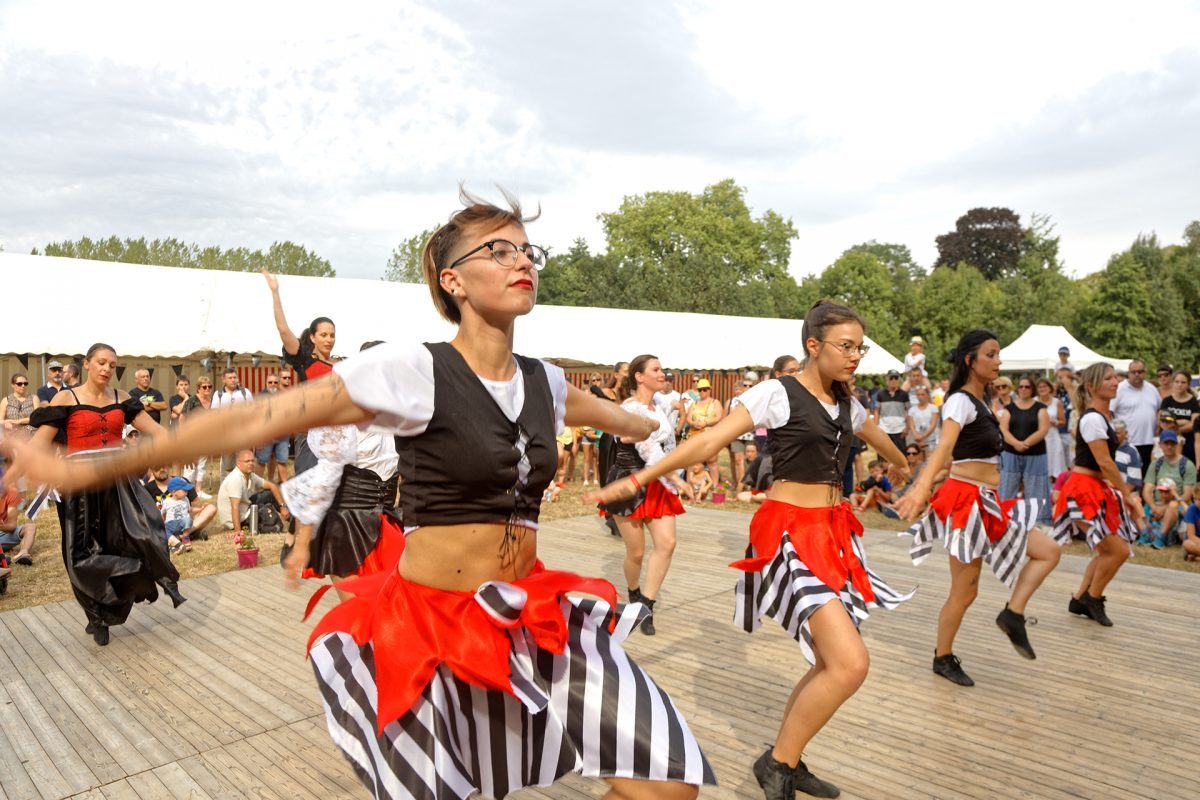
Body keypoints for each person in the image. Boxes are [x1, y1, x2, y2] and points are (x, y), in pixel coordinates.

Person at [15, 192, 716, 799]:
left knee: (665, 774)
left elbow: (616, 415)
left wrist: (648, 420)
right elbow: (260, 418)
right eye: (498, 250)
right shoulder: (413, 367)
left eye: (528, 249)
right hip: (430, 627)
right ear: (454, 280)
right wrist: (88, 472)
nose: (521, 260)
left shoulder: (544, 381)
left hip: (527, 615)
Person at [590, 299, 912, 799]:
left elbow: (878, 439)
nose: (855, 356)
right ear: (813, 345)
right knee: (850, 664)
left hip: (832, 535)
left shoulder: (849, 404)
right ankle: (778, 763)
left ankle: (786, 758)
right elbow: (707, 443)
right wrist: (642, 476)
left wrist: (902, 466)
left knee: (830, 663)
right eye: (845, 346)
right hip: (787, 535)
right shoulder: (776, 393)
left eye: (859, 347)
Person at [897, 330, 1056, 684]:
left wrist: (934, 478)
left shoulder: (983, 404)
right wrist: (920, 488)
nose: (999, 361)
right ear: (971, 361)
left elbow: (956, 456)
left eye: (998, 354)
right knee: (965, 591)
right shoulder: (959, 402)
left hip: (987, 501)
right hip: (968, 503)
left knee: (1048, 551)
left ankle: (1013, 614)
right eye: (992, 354)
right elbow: (944, 448)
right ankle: (942, 656)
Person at [26, 343, 185, 646]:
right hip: (78, 485)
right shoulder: (66, 397)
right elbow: (39, 442)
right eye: (101, 362)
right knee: (80, 553)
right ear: (86, 364)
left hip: (117, 483)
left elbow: (155, 429)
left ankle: (119, 597)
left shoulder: (121, 399)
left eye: (112, 365)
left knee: (129, 540)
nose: (107, 369)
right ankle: (95, 615)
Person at [599, 354, 693, 636]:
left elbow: (669, 434)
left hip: (656, 481)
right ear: (640, 377)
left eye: (662, 368)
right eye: (656, 369)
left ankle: (646, 607)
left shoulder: (660, 404)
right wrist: (676, 478)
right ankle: (633, 592)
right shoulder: (631, 409)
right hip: (630, 481)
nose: (662, 373)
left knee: (667, 543)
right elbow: (647, 450)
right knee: (636, 552)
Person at [1049, 362, 1141, 627]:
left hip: (1094, 487)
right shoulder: (1091, 419)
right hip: (1083, 489)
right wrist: (1128, 495)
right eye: (1108, 379)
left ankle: (1080, 598)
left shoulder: (1101, 418)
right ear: (1091, 387)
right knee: (1117, 551)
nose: (1115, 382)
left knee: (1106, 550)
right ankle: (1093, 597)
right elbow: (1105, 463)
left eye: (1115, 378)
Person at [263, 268, 335, 475]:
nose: (329, 339)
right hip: (311, 437)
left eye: (332, 335)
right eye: (323, 335)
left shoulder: (339, 365)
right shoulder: (306, 360)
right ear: (312, 337)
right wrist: (275, 293)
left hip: (335, 439)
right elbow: (284, 330)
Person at [999, 375, 1052, 525]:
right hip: (1010, 453)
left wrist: (1025, 444)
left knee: (1036, 488)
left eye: (1027, 386)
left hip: (1035, 455)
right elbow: (1003, 428)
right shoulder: (1009, 408)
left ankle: (1039, 523)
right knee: (1007, 486)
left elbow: (1043, 429)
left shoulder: (1040, 408)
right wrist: (1015, 443)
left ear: (1032, 389)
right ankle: (1003, 520)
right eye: (1021, 386)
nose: (1023, 389)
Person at [1141, 430, 1196, 548]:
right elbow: (1147, 490)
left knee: (1172, 505)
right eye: (1166, 443)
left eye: (1172, 443)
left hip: (1178, 503)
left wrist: (1163, 508)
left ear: (1177, 444)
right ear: (1160, 445)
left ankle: (1162, 537)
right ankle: (1145, 534)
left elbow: (1187, 495)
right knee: (1138, 501)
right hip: (1157, 502)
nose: (1169, 446)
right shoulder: (1156, 464)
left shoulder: (1187, 465)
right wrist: (1154, 506)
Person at [217, 450, 289, 532]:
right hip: (235, 521)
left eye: (252, 461)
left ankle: (292, 519)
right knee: (265, 512)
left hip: (244, 509)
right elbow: (235, 507)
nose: (251, 463)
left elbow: (272, 486)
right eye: (247, 461)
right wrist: (238, 532)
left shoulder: (250, 475)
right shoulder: (235, 479)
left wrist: (283, 507)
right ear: (238, 463)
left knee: (268, 495)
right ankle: (273, 527)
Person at [141, 464, 216, 539]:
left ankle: (185, 534)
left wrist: (200, 509)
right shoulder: (146, 489)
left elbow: (196, 505)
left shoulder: (181, 482)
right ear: (151, 470)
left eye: (164, 465)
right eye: (157, 468)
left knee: (211, 508)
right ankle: (189, 535)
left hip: (184, 522)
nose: (161, 469)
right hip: (164, 526)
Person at [1112, 359, 1162, 466]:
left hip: (1150, 442)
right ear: (1128, 373)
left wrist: (1158, 428)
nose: (1137, 374)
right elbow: (1110, 412)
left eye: (1140, 371)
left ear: (1145, 372)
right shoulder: (1119, 389)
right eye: (1133, 372)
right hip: (1128, 443)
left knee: (1147, 477)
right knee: (1131, 478)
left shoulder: (1152, 389)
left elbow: (1159, 410)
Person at [684, 377, 723, 487]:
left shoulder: (715, 402)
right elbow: (688, 418)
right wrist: (693, 423)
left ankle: (714, 486)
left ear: (710, 389)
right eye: (700, 389)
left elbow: (719, 417)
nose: (702, 392)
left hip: (710, 434)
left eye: (705, 389)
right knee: (692, 461)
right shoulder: (694, 403)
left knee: (712, 461)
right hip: (695, 434)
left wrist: (706, 422)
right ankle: (689, 487)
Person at [179, 376, 214, 495]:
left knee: (202, 465)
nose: (207, 389)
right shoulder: (192, 401)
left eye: (210, 386)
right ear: (198, 388)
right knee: (190, 466)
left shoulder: (212, 402)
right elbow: (182, 419)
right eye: (204, 387)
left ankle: (198, 490)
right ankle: (187, 491)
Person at [254, 373, 290, 483]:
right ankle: (257, 486)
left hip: (282, 435)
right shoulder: (261, 396)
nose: (273, 384)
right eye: (270, 382)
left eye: (275, 382)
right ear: (266, 383)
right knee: (261, 461)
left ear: (279, 383)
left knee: (282, 461)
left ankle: (284, 487)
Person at [1160, 370, 1199, 463]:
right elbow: (1162, 423)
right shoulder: (1167, 401)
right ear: (1173, 383)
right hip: (1170, 443)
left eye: (1183, 382)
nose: (1179, 385)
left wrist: (1174, 427)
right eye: (1177, 382)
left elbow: (1194, 425)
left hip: (1189, 444)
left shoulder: (1193, 402)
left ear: (1188, 384)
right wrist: (1184, 422)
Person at [1036, 377, 1068, 480]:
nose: (1042, 388)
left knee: (1055, 466)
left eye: (1044, 386)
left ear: (1050, 388)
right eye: (1039, 387)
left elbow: (1063, 422)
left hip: (1053, 437)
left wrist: (1055, 422)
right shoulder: (1034, 402)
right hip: (1039, 437)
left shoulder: (1056, 402)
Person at [0, 483, 36, 566]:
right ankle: (2, 559)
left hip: (3, 534)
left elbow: (12, 525)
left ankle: (23, 553)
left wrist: (3, 527)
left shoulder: (11, 492)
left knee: (30, 527)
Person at [873, 370, 909, 451]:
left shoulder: (904, 394)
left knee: (901, 455)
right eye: (891, 378)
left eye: (896, 378)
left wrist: (907, 428)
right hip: (884, 429)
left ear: (899, 380)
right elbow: (876, 411)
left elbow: (909, 411)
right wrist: (876, 427)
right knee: (883, 455)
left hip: (900, 430)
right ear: (887, 379)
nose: (893, 380)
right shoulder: (880, 393)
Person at [160, 477, 196, 553]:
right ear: (174, 492)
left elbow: (189, 510)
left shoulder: (186, 499)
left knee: (188, 520)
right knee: (163, 530)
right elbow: (162, 513)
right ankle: (178, 545)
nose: (187, 492)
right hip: (170, 523)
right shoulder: (167, 501)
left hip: (181, 523)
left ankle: (185, 538)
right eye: (184, 490)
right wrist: (162, 522)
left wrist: (198, 511)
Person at [1, 374, 36, 440]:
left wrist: (16, 421)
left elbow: (37, 418)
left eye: (25, 383)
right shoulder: (6, 400)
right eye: (19, 384)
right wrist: (6, 423)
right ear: (13, 385)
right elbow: (1, 421)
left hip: (31, 434)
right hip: (12, 434)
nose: (23, 386)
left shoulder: (34, 398)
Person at [905, 384, 939, 451]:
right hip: (915, 440)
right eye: (918, 395)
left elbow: (933, 425)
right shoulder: (912, 410)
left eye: (922, 394)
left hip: (930, 440)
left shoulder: (933, 408)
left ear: (927, 395)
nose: (920, 397)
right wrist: (917, 436)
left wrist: (922, 436)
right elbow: (911, 426)